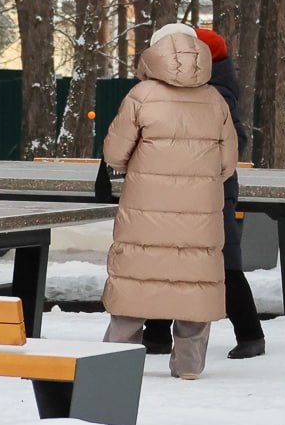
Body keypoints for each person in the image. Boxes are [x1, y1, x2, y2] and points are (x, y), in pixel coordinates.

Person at [101, 24, 238, 380]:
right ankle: (189, 367)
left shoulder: (141, 96)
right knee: (194, 286)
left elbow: (115, 154)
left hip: (145, 213)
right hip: (200, 215)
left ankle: (114, 366)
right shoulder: (215, 100)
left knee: (135, 283)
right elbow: (227, 165)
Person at [142, 27, 266, 359]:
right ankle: (155, 334)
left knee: (221, 263)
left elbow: (232, 141)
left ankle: (251, 334)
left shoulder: (216, 92)